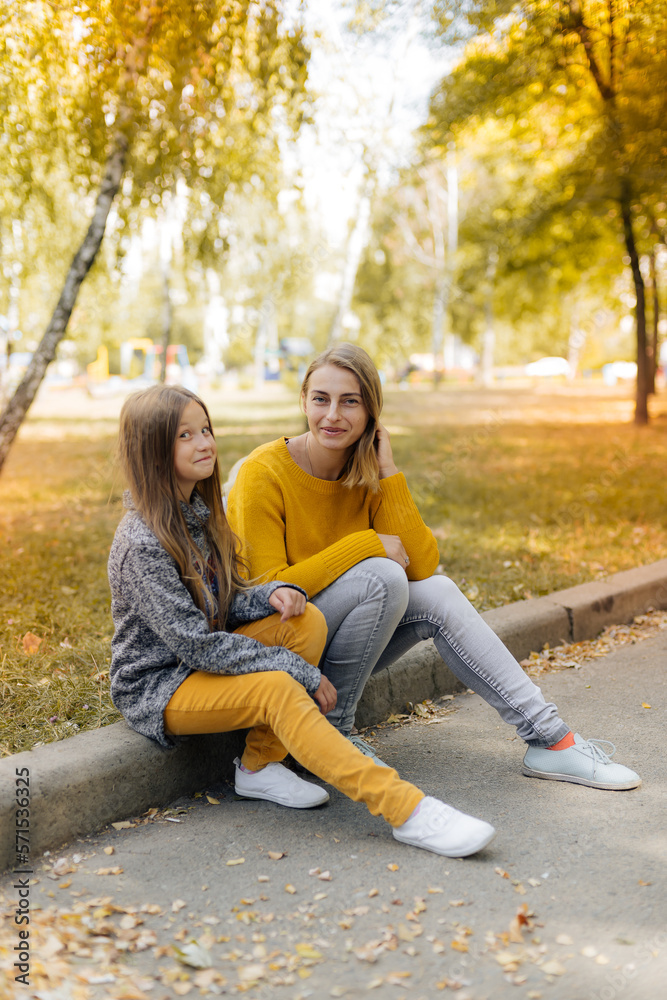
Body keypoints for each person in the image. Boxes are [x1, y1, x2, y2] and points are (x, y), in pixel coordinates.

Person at [226, 344, 641, 791]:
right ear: (303, 401)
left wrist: (387, 471)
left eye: (351, 401)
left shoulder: (365, 472)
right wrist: (367, 545)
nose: (333, 415)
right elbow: (268, 590)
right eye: (321, 399)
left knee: (438, 592)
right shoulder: (263, 472)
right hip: (281, 644)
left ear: (371, 413)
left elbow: (421, 566)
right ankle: (334, 733)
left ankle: (551, 740)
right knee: (381, 576)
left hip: (333, 639)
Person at [107, 383, 496, 859]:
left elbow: (223, 601)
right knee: (279, 688)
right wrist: (299, 671)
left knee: (306, 621)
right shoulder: (141, 546)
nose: (204, 442)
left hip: (201, 659)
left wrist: (274, 594)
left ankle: (257, 767)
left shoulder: (197, 514)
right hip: (161, 685)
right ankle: (408, 810)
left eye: (205, 429)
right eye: (184, 435)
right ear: (151, 451)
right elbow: (196, 645)